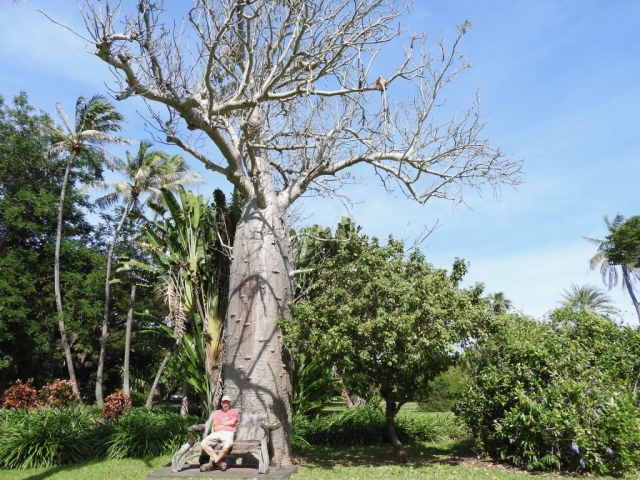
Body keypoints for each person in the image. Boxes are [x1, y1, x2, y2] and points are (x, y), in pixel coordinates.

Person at [200, 395, 239, 472]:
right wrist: (227, 424)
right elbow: (215, 428)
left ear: (229, 403)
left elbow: (232, 422)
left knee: (226, 446)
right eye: (224, 402)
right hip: (216, 434)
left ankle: (212, 464)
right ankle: (218, 462)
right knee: (203, 444)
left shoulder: (234, 412)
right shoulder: (217, 415)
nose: (225, 404)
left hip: (228, 433)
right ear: (221, 403)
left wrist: (221, 424)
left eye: (227, 402)